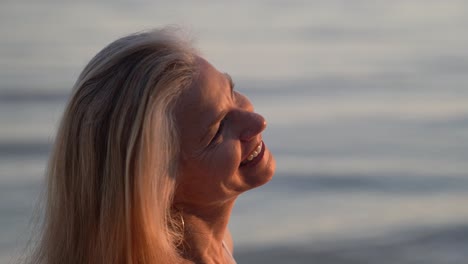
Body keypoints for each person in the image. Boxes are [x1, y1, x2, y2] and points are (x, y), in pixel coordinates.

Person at [25, 27, 275, 264]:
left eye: (231, 92)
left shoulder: (214, 244)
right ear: (157, 182)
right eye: (218, 129)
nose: (258, 122)